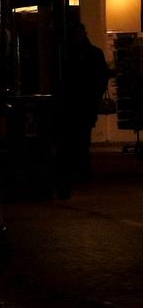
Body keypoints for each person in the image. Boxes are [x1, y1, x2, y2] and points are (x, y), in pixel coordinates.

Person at [58, 22, 110, 194]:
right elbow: (101, 77)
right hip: (86, 103)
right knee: (82, 138)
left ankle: (77, 170)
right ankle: (82, 170)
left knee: (74, 138)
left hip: (75, 103)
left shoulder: (66, 54)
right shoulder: (94, 53)